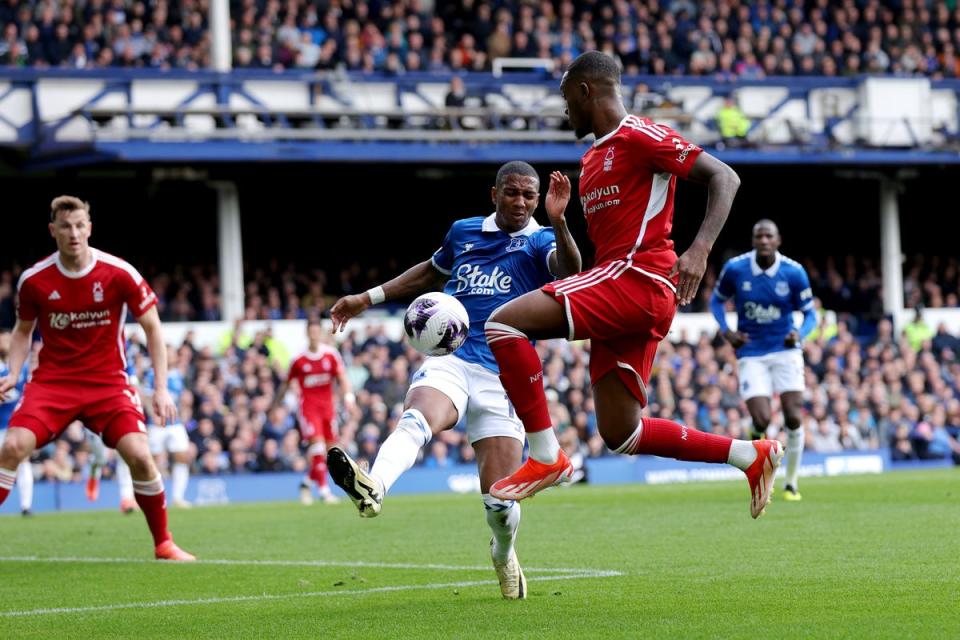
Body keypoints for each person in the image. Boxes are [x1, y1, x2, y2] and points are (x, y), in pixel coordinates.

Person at [482, 51, 782, 520]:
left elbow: (724, 176)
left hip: (638, 279)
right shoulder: (591, 161)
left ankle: (544, 455)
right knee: (621, 433)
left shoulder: (641, 135)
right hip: (620, 287)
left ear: (586, 91)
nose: (566, 111)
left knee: (501, 326)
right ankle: (749, 455)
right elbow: (575, 268)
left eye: (567, 99)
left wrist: (700, 249)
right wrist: (559, 224)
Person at [326, 161, 581, 599]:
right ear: (494, 193)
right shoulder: (464, 231)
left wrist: (559, 222)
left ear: (539, 200)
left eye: (529, 196)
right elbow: (430, 272)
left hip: (505, 374)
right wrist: (366, 299)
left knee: (500, 502)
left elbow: (569, 270)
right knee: (416, 418)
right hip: (453, 357)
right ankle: (374, 487)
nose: (520, 202)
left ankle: (503, 554)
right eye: (512, 193)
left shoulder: (540, 239)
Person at [0, 195, 194, 561]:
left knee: (139, 455)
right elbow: (23, 330)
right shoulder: (34, 280)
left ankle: (164, 543)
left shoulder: (120, 273)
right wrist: (13, 372)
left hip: (108, 383)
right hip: (53, 383)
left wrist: (162, 387)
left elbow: (153, 328)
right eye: (65, 226)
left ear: (89, 227)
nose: (73, 233)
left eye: (79, 225)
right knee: (11, 448)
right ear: (53, 231)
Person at [710, 220, 817, 500]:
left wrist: (800, 334)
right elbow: (716, 300)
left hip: (785, 350)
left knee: (794, 416)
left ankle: (791, 483)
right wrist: (727, 331)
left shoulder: (794, 272)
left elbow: (811, 315)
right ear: (754, 240)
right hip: (752, 351)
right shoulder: (736, 269)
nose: (764, 240)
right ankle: (757, 461)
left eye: (769, 236)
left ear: (778, 240)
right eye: (759, 236)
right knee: (762, 418)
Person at [275, 319, 355, 505]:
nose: (314, 335)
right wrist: (276, 405)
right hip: (308, 409)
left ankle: (306, 483)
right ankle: (324, 491)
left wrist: (349, 398)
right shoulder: (299, 359)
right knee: (317, 448)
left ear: (320, 333)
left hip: (328, 409)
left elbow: (343, 378)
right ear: (307, 333)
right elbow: (286, 383)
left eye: (316, 332)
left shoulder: (330, 355)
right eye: (311, 332)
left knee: (329, 453)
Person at [0, 328, 33, 516]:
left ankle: (26, 506)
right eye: (3, 340)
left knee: (23, 461)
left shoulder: (20, 367)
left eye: (8, 340)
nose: (6, 343)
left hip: (16, 424)